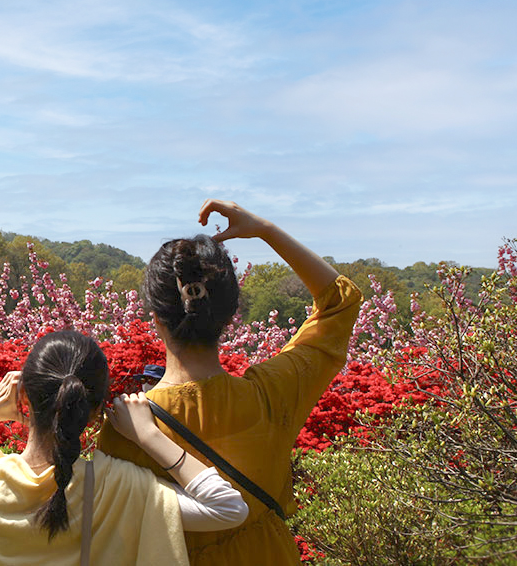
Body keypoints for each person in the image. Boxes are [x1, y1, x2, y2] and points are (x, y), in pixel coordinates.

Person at [96, 199, 364, 565]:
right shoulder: (272, 394)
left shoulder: (128, 428)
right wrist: (265, 230)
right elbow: (340, 303)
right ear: (230, 314)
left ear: (155, 318)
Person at [0, 330, 248, 566]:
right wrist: (148, 435)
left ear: (24, 398)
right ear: (94, 413)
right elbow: (228, 508)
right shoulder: (114, 487)